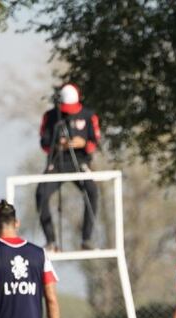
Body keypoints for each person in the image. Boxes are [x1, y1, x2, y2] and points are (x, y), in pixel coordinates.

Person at [35, 82, 101, 251]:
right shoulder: (50, 117)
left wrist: (83, 143)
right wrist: (58, 145)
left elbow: (95, 142)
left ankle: (87, 240)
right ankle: (51, 242)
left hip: (80, 162)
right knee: (41, 194)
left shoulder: (88, 116)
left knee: (92, 192)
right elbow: (44, 143)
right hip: (57, 163)